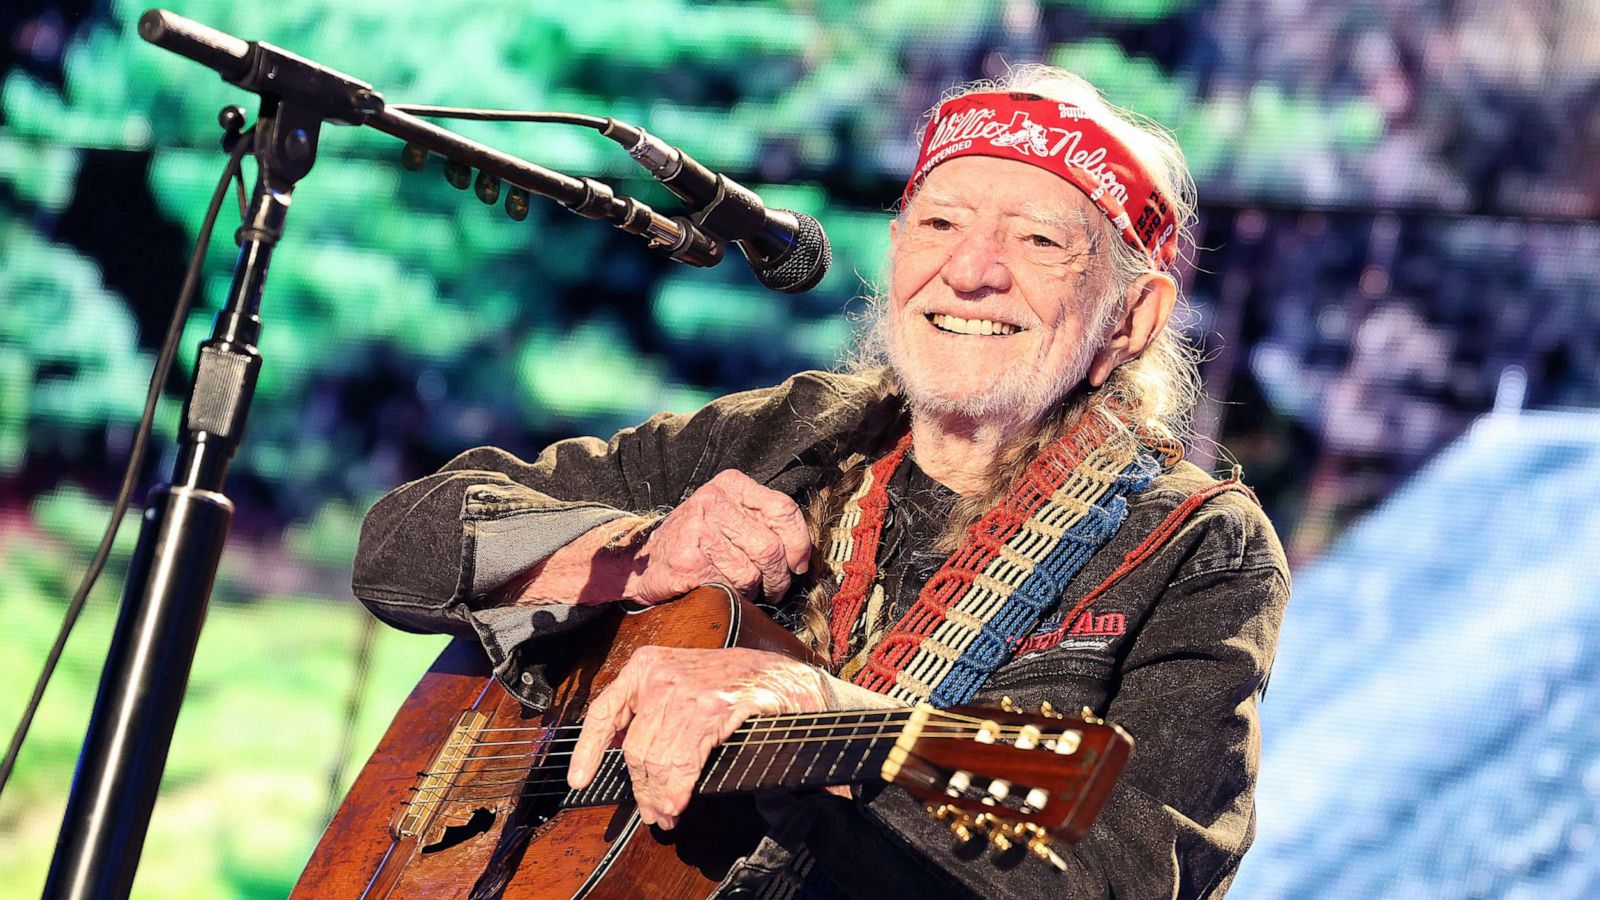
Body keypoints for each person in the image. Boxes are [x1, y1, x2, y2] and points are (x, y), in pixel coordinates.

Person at [353, 64, 1289, 899]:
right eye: (939, 224)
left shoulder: (1198, 546)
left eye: (1040, 242)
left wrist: (824, 718)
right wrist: (641, 555)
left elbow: (1131, 873)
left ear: (1129, 318)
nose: (969, 271)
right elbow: (399, 547)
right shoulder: (790, 431)